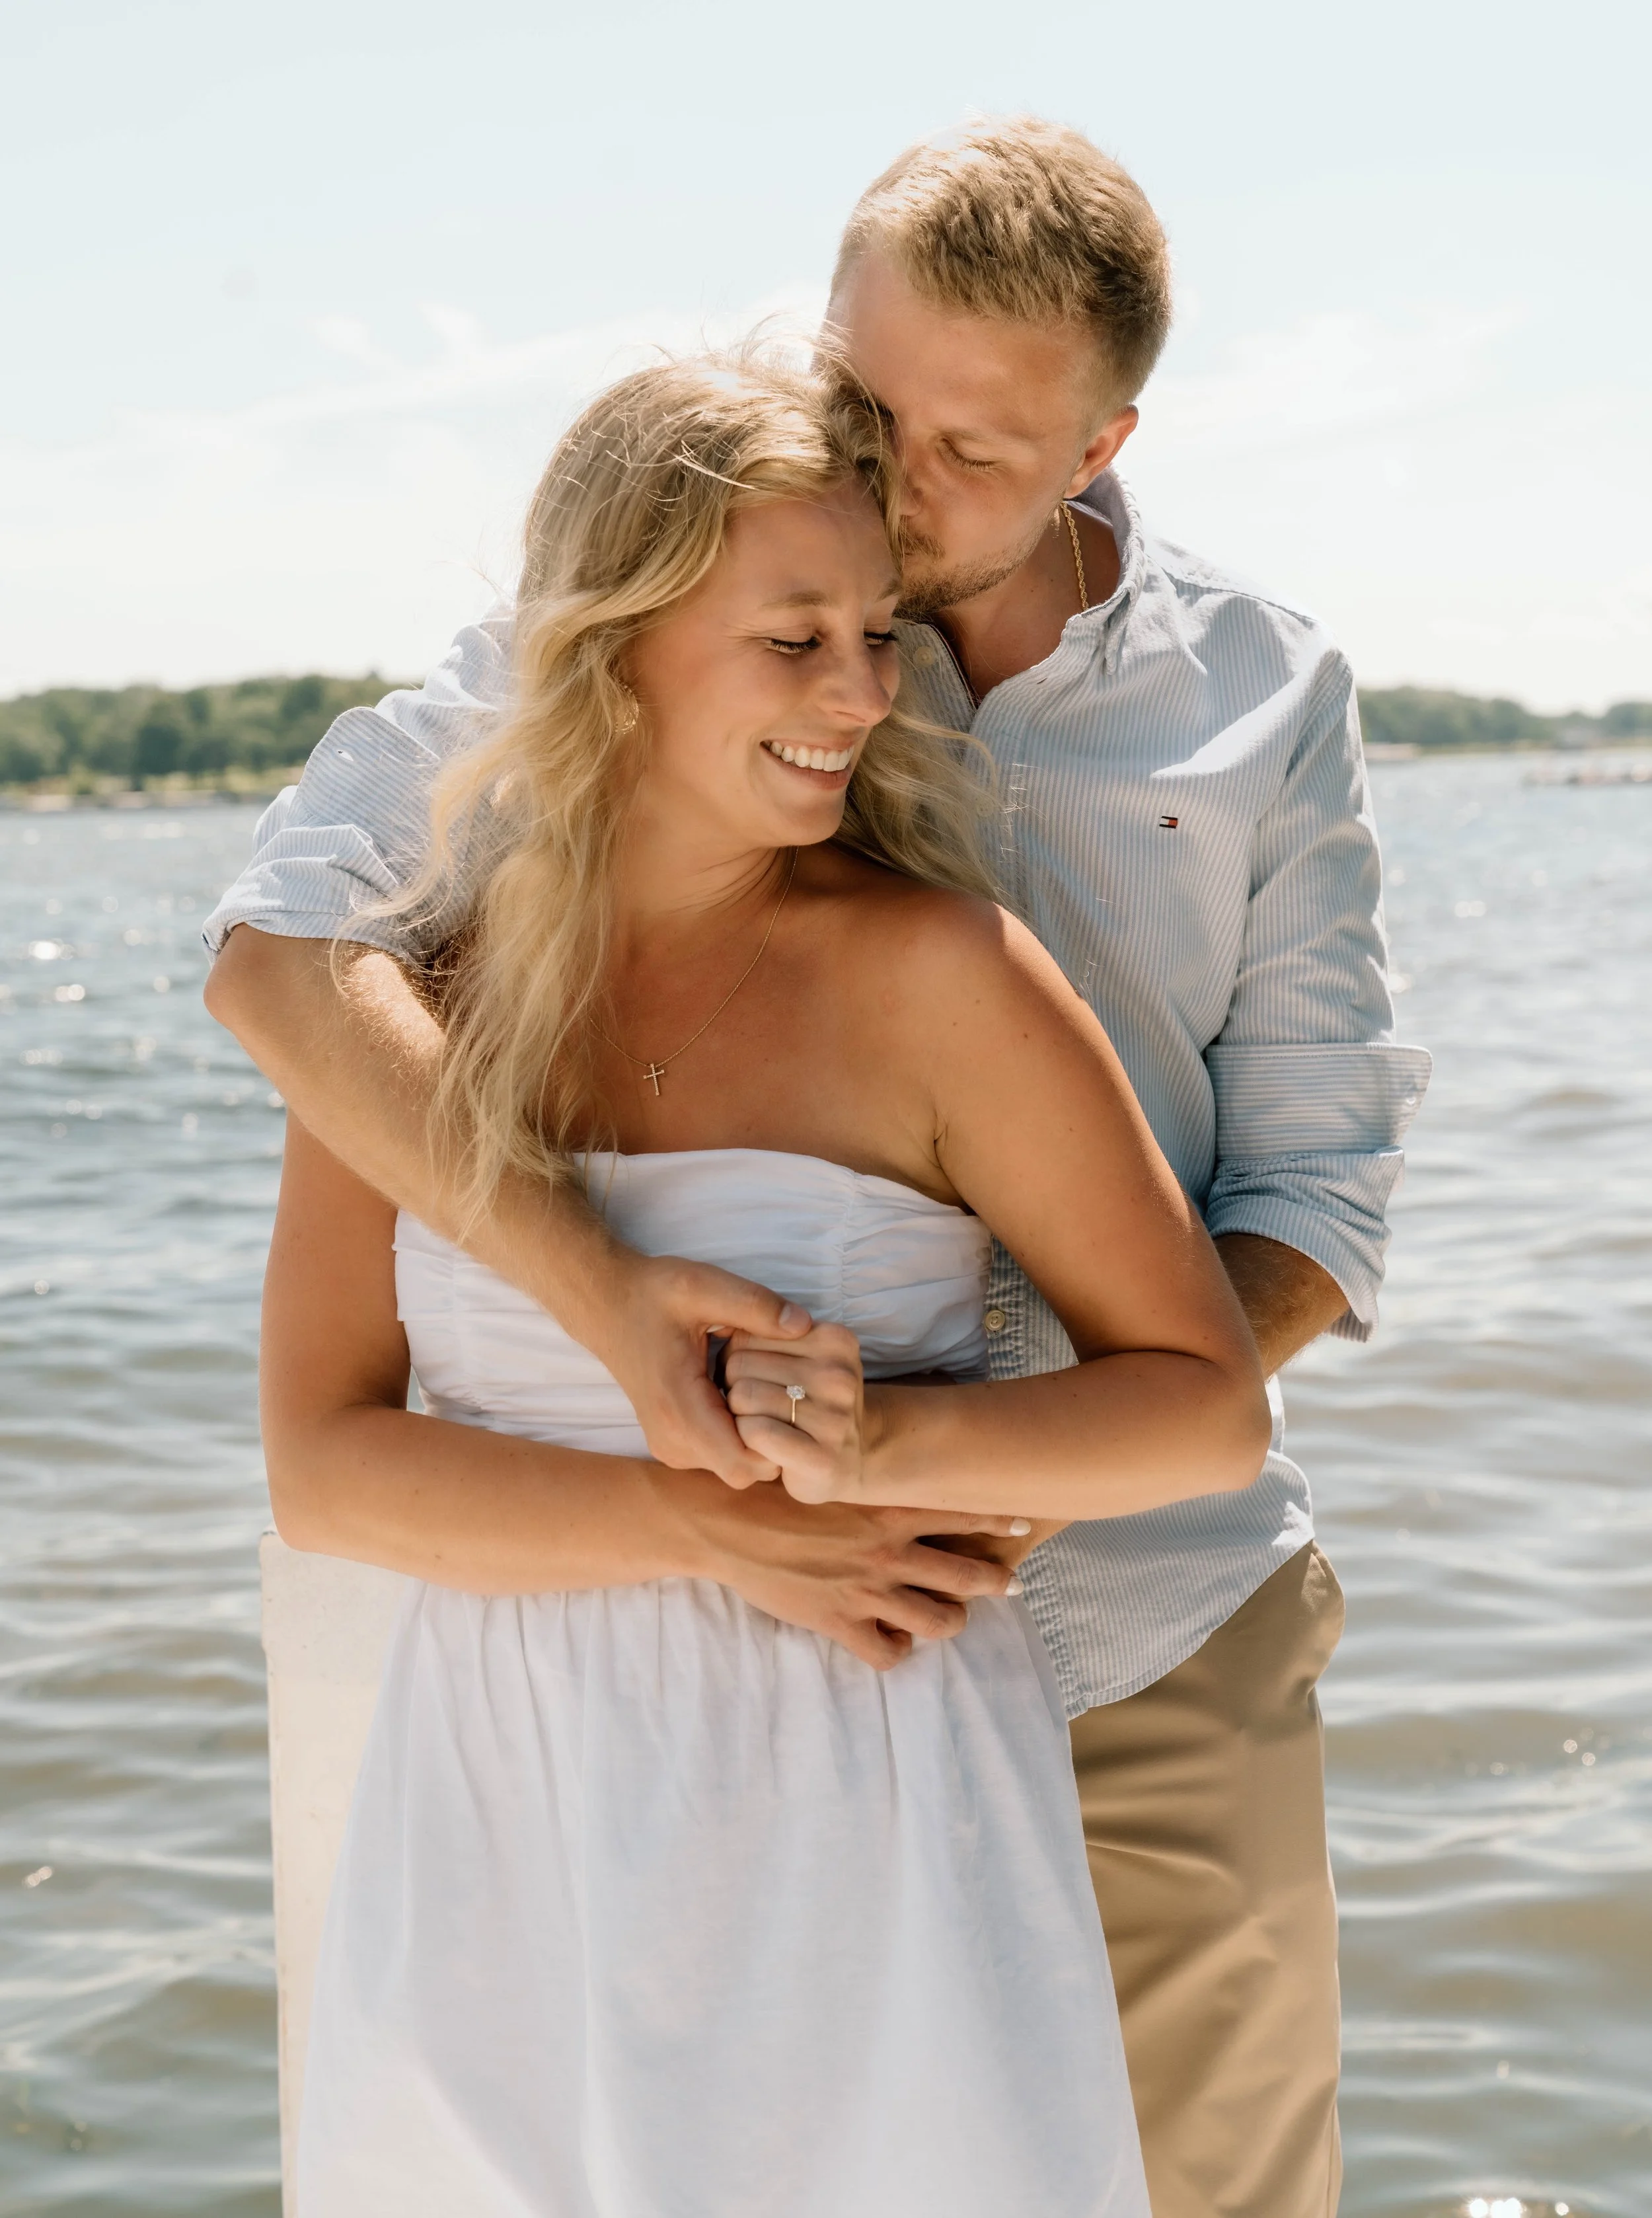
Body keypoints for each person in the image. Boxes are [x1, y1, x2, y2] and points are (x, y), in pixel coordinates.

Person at [207, 118, 1431, 2218]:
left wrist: (968, 1468)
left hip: (1133, 1606)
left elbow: (1309, 1195)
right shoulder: (714, 572)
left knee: (1206, 2176)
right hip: (619, 1719)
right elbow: (282, 955)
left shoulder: (1253, 694)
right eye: (870, 403)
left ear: (1103, 437)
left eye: (971, 449)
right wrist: (623, 1338)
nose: (900, 498)